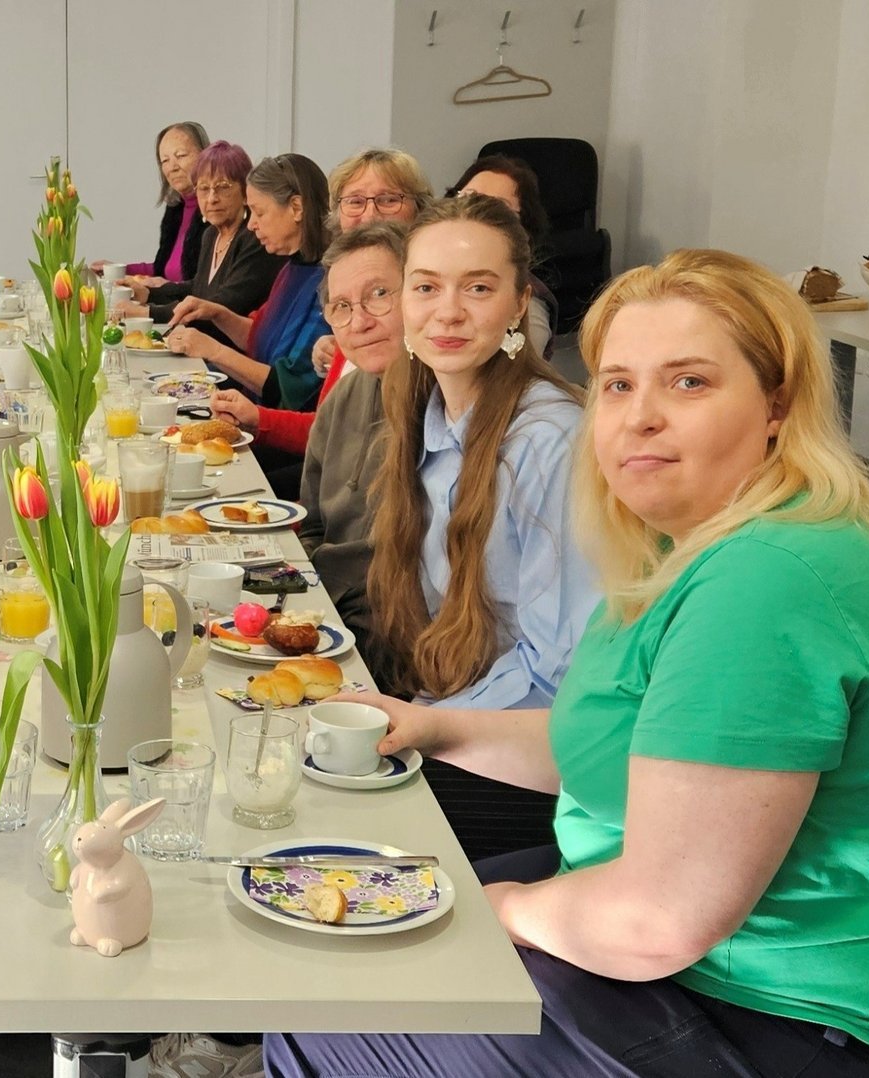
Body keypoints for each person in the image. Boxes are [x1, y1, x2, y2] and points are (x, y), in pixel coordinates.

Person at [267, 248, 869, 1077]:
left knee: (325, 1008)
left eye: (688, 382)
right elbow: (629, 746)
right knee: (363, 912)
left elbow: (658, 921)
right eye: (617, 385)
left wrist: (500, 910)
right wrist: (436, 728)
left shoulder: (766, 580)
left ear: (778, 405)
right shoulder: (687, 545)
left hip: (806, 1025)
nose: (640, 416)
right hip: (718, 969)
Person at [364, 193, 599, 857]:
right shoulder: (426, 410)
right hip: (463, 714)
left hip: (541, 760)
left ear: (519, 304)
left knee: (348, 824)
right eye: (426, 287)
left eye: (478, 288)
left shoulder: (548, 440)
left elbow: (560, 678)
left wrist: (433, 723)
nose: (448, 311)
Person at [211, 148, 430, 461]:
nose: (369, 215)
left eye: (388, 200)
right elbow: (330, 434)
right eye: (355, 202)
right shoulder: (328, 279)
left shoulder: (425, 318)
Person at [296, 223, 409, 647]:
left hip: (390, 634)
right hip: (327, 607)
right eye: (341, 306)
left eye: (379, 294)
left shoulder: (446, 405)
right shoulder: (343, 396)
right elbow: (311, 522)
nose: (360, 322)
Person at [162, 153, 333, 410]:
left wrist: (213, 350)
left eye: (259, 212)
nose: (251, 224)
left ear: (296, 208)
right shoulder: (292, 267)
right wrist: (218, 314)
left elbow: (287, 389)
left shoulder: (328, 282)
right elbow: (260, 338)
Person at [118, 140, 283, 349]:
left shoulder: (255, 238)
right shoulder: (211, 235)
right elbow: (198, 288)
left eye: (223, 187)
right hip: (200, 348)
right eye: (204, 188)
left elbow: (220, 306)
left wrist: (146, 312)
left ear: (245, 193)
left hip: (231, 354)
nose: (212, 198)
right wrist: (149, 293)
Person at [449, 154, 557, 359]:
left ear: (524, 229)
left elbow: (519, 376)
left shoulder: (531, 309)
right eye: (469, 198)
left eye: (496, 208)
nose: (475, 214)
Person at [98, 121, 209, 285]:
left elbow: (206, 285)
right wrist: (118, 270)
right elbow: (163, 270)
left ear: (205, 155)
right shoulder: (175, 209)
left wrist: (163, 287)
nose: (172, 167)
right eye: (165, 160)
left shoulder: (215, 211)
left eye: (181, 156)